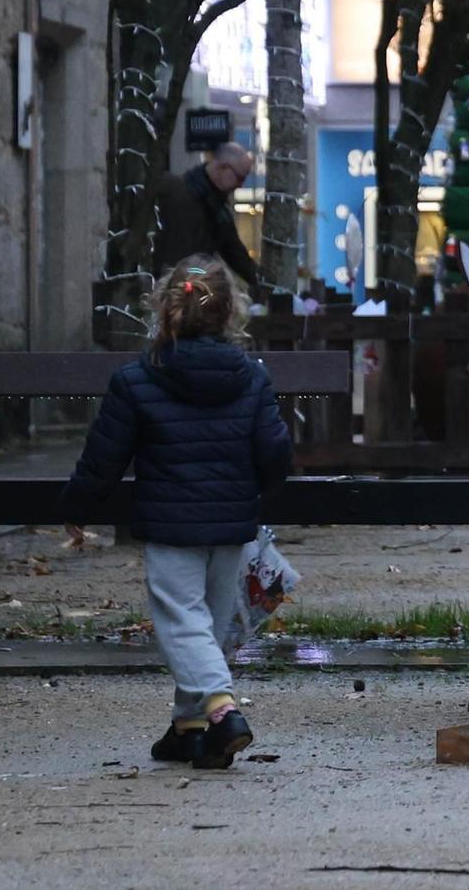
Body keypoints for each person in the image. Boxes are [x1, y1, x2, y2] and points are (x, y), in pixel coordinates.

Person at [59, 257, 293, 769]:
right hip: (232, 522)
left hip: (170, 525)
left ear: (165, 310)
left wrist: (79, 506)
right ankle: (189, 730)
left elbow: (105, 457)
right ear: (231, 314)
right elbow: (275, 454)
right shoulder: (252, 378)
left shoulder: (138, 378)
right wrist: (257, 490)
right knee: (207, 625)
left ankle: (221, 709)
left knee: (181, 620)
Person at [153, 142, 259, 287]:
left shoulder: (219, 211)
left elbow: (236, 254)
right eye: (240, 178)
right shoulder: (175, 192)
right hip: (173, 287)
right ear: (223, 167)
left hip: (184, 288)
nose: (240, 185)